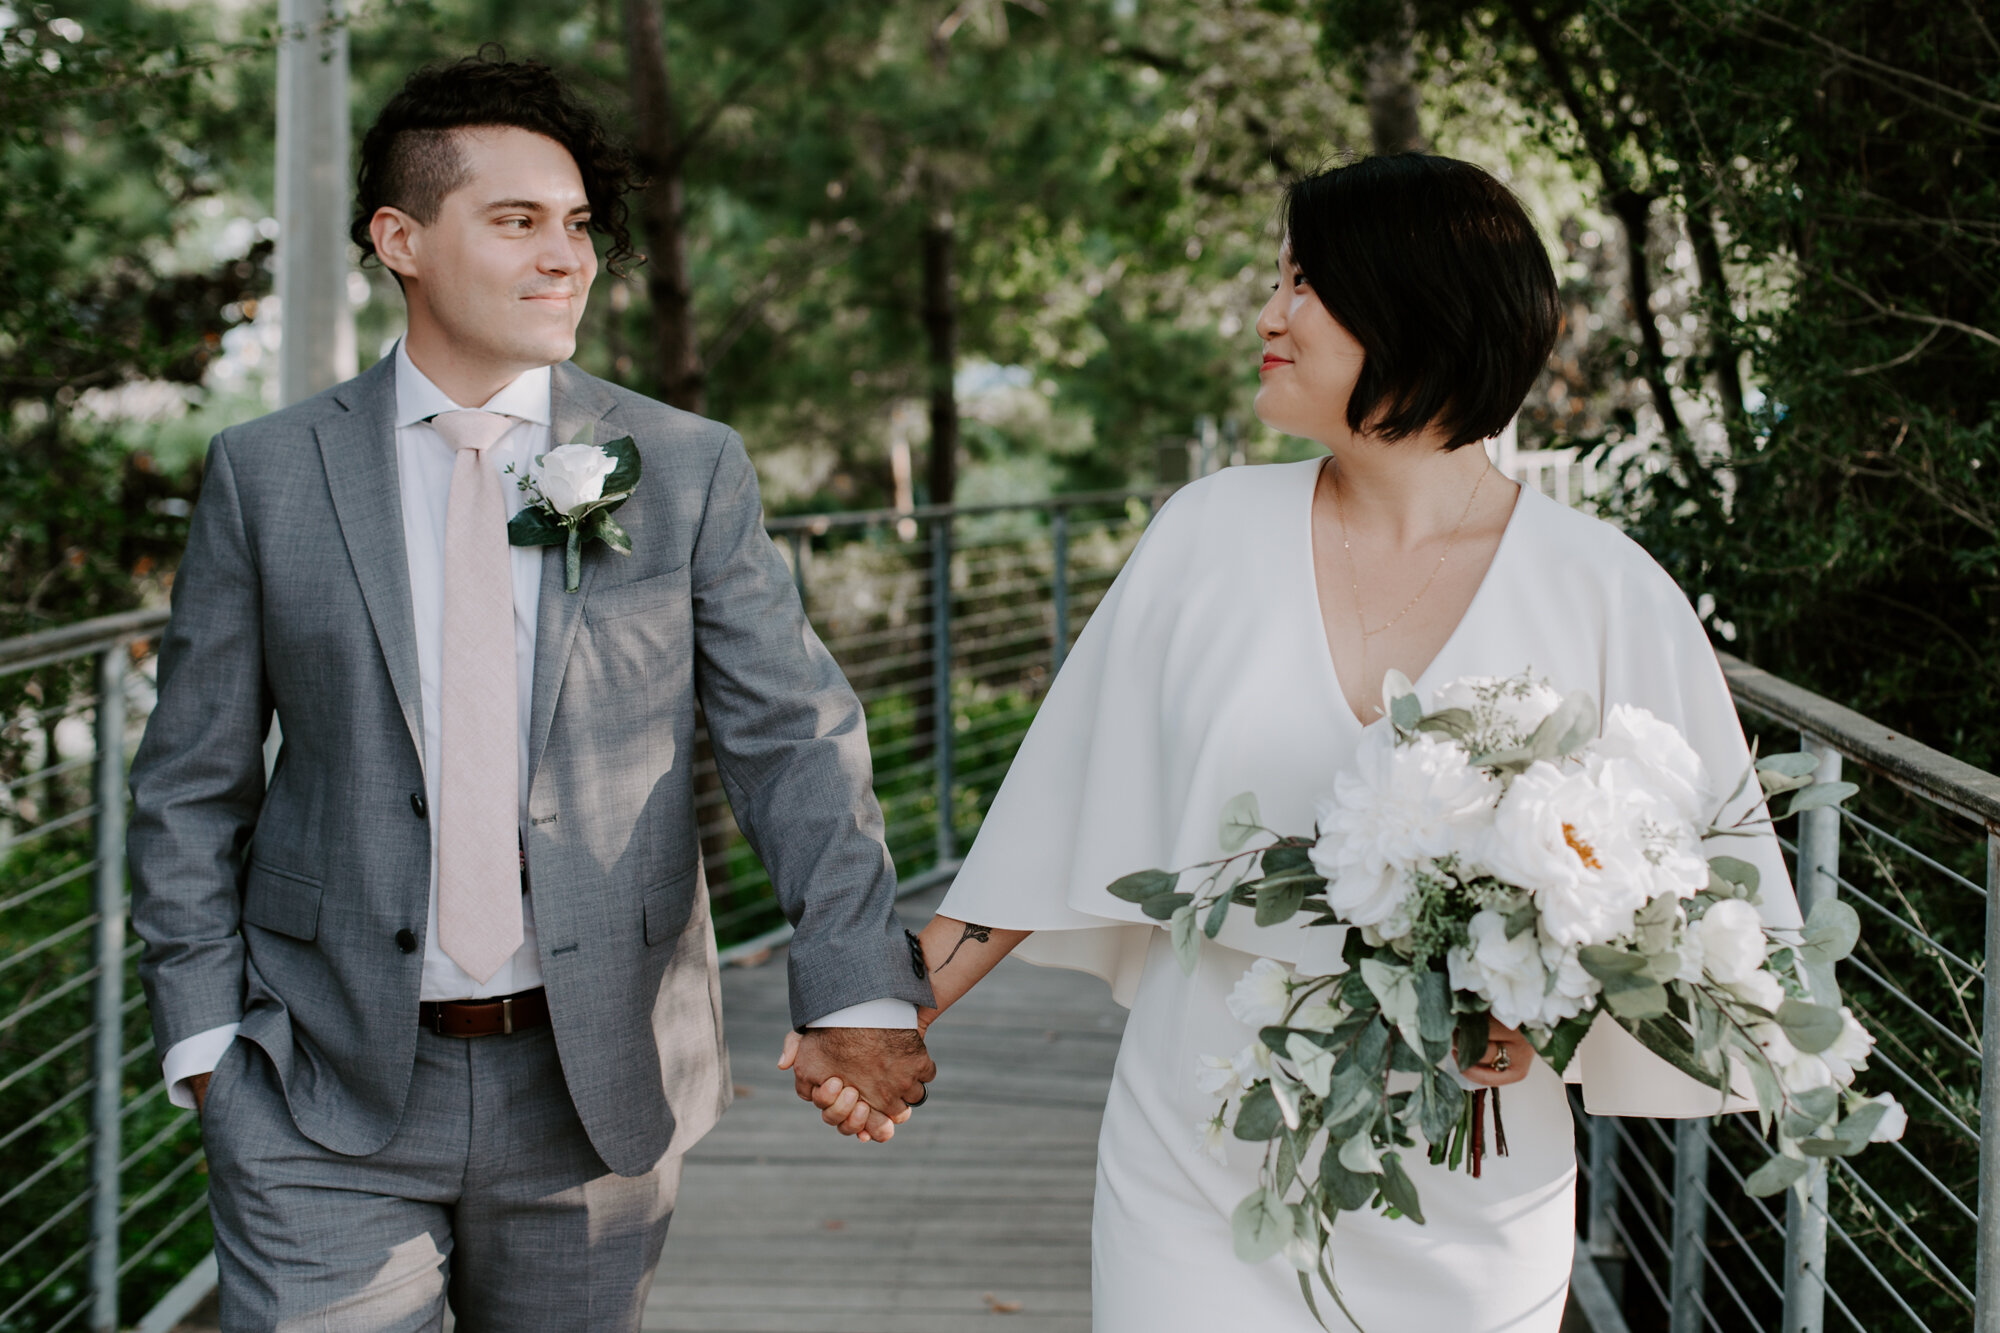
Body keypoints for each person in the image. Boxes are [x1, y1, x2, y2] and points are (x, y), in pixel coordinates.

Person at [793, 155, 1799, 1329]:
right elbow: (1051, 818)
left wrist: (1546, 1001)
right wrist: (876, 1019)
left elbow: (1708, 934)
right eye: (1278, 281)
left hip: (1465, 1187)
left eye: (1304, 284)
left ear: (1410, 305)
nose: (1268, 315)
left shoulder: (1605, 593)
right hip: (1197, 1152)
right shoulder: (1203, 535)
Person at [127, 52, 934, 1333]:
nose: (567, 257)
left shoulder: (680, 466)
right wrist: (203, 1046)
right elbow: (191, 780)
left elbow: (793, 737)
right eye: (516, 221)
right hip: (314, 1080)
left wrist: (853, 988)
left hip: (593, 1087)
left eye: (576, 227)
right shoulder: (265, 473)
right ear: (400, 238)